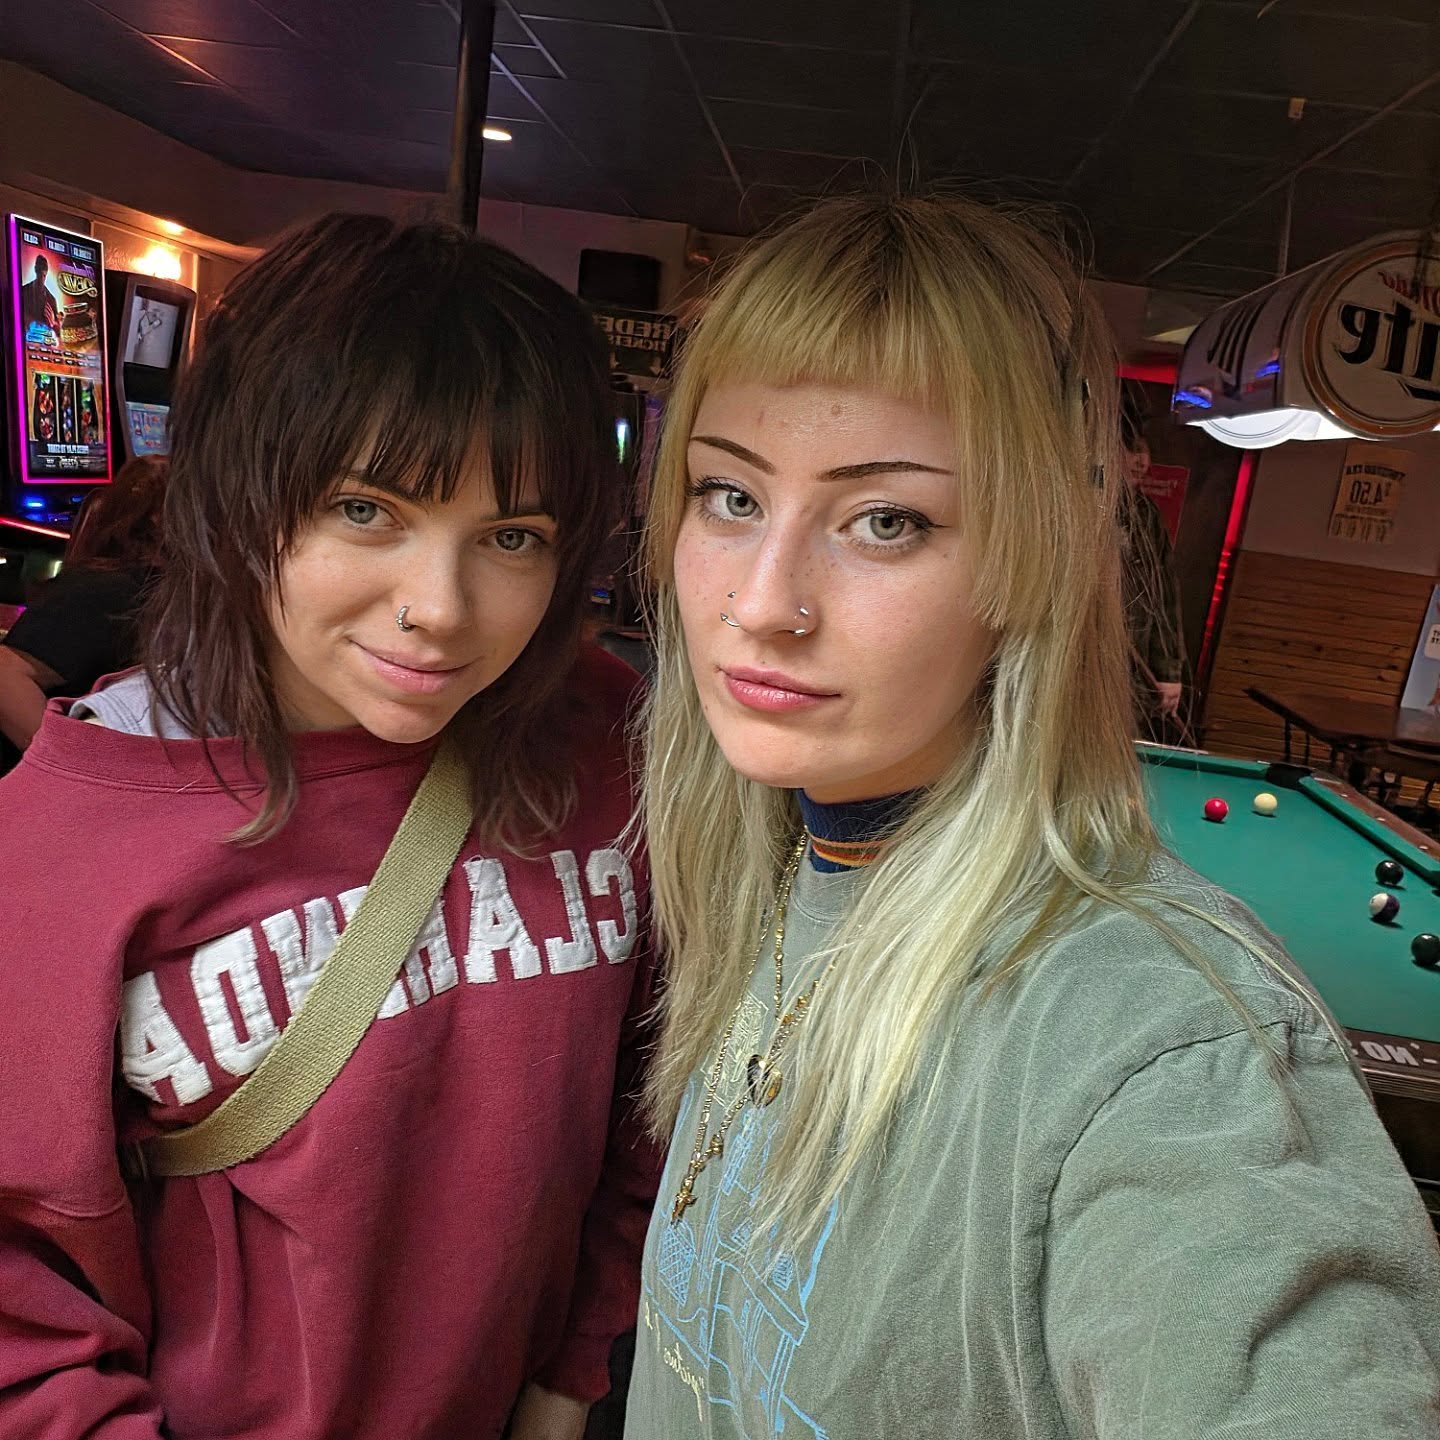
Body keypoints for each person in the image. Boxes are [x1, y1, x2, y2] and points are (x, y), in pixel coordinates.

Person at [624, 194, 1440, 1439]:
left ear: (1035, 557)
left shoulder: (1160, 1043)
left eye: (886, 520)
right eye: (729, 496)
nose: (764, 602)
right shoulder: (782, 862)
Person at [0, 215, 659, 1440]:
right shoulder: (57, 843)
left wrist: (570, 1378)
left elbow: (649, 1094)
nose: (439, 608)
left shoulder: (600, 739)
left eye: (512, 537)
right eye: (367, 509)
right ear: (237, 496)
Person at [0, 454, 167, 762]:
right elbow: (5, 675)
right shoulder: (108, 588)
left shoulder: (169, 587)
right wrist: (72, 766)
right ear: (158, 518)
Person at [1118, 421, 1186, 733]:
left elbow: (1164, 596)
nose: (1142, 461)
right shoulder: (1077, 504)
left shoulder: (1145, 514)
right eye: (1132, 450)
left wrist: (1168, 671)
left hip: (1130, 671)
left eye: (1145, 452)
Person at [20, 250, 61, 335]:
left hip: (45, 340)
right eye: (40, 274)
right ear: (36, 270)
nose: (41, 279)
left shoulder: (51, 299)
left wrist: (53, 323)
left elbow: (58, 331)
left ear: (46, 274)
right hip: (26, 338)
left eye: (44, 275)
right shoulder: (23, 291)